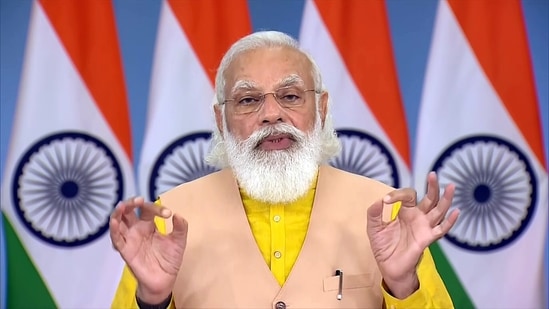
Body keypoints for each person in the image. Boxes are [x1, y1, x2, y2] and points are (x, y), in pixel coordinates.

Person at [110, 30, 459, 308]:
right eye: (248, 100)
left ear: (320, 108)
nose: (272, 114)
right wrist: (152, 301)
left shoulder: (386, 211)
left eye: (290, 96)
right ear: (221, 119)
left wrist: (403, 286)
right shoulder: (167, 219)